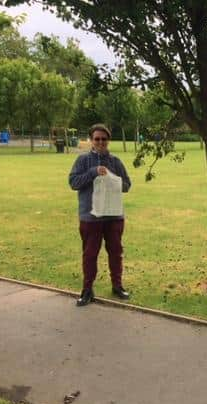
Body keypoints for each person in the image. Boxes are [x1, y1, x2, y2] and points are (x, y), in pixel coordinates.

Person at [69, 124, 132, 307]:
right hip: (90, 217)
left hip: (113, 216)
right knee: (90, 254)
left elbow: (127, 185)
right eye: (97, 139)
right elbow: (73, 183)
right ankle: (87, 290)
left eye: (104, 139)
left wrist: (112, 179)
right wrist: (93, 173)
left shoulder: (115, 161)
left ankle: (117, 286)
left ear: (108, 140)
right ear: (91, 140)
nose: (100, 142)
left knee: (116, 252)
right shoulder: (82, 161)